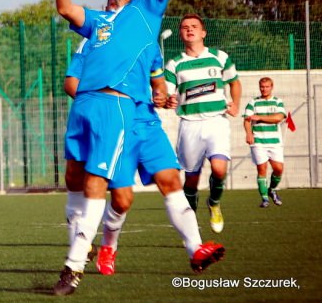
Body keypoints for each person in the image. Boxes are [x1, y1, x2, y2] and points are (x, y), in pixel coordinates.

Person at [53, 0, 222, 296]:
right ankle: (90, 245)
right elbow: (64, 7)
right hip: (95, 106)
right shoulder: (100, 22)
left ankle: (193, 248)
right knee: (84, 180)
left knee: (162, 179)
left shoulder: (146, 10)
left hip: (129, 111)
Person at [65, 29, 222, 278]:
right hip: (115, 126)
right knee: (122, 200)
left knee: (171, 180)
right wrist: (101, 106)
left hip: (148, 124)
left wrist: (162, 98)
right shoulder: (95, 37)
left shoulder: (146, 39)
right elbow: (71, 82)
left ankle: (195, 249)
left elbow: (158, 86)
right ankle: (109, 246)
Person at [164, 14, 242, 233]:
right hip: (189, 124)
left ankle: (214, 203)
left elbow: (234, 83)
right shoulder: (174, 64)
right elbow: (169, 94)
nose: (189, 30)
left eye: (194, 27)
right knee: (191, 179)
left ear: (203, 33)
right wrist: (169, 101)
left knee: (219, 168)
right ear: (180, 34)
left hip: (216, 121)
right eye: (185, 27)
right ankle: (191, 227)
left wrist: (235, 104)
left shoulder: (219, 57)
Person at [243, 77, 287, 207]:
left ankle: (272, 189)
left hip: (275, 141)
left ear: (272, 87)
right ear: (259, 87)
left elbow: (278, 118)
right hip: (258, 141)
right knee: (262, 169)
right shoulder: (253, 102)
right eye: (262, 87)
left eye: (267, 86)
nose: (264, 89)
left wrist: (260, 117)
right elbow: (247, 120)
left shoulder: (278, 102)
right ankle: (265, 199)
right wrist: (249, 133)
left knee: (278, 169)